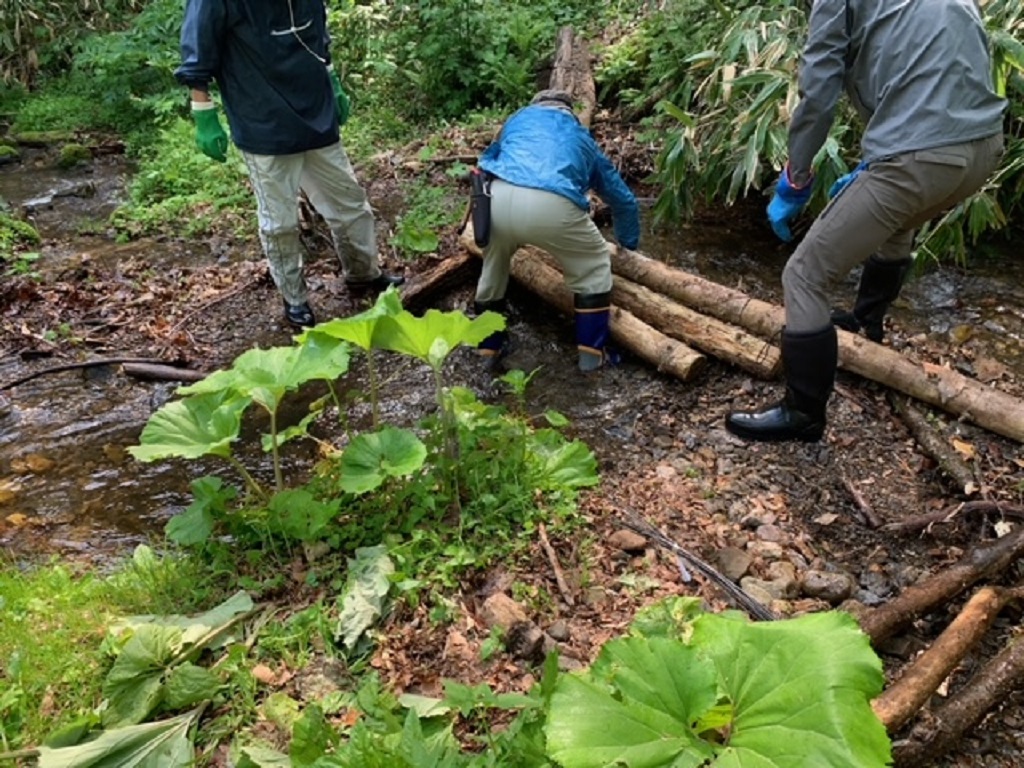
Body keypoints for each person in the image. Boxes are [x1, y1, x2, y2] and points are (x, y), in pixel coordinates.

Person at [726, 0, 1006, 443]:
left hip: (920, 157)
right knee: (900, 220)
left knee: (804, 275)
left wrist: (796, 177)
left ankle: (803, 413)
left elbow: (819, 90)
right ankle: (867, 324)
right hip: (984, 147)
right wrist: (881, 156)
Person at [174, 0, 403, 330]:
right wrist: (203, 112)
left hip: (316, 112)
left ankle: (364, 273)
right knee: (279, 223)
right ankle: (295, 299)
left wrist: (332, 79)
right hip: (261, 119)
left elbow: (317, 35)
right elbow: (198, 46)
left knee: (350, 205)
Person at [472, 89, 641, 371]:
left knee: (493, 266)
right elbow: (623, 200)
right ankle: (592, 358)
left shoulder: (516, 120)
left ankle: (488, 349)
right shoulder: (580, 136)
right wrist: (628, 246)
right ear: (569, 112)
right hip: (552, 205)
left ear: (535, 105)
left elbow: (489, 160)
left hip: (496, 199)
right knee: (594, 264)